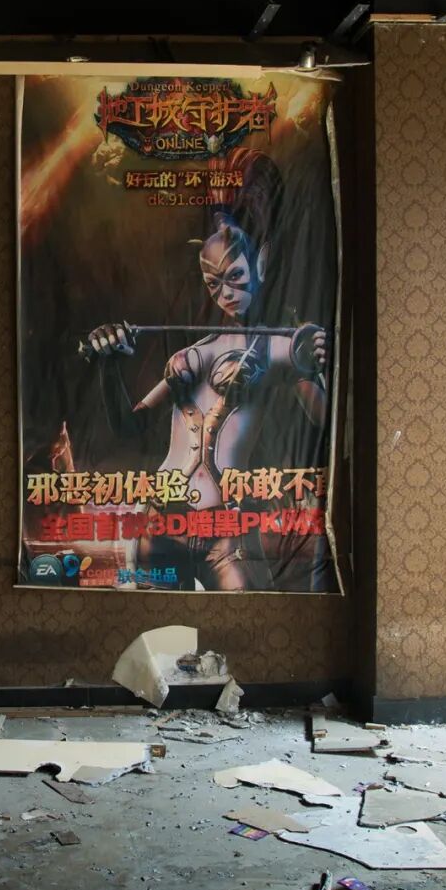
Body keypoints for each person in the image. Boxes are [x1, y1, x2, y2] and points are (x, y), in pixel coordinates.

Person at [85, 152, 329, 590]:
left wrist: (318, 365)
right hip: (160, 525)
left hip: (226, 532)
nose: (225, 293)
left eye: (235, 276)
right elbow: (128, 428)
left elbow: (323, 422)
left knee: (246, 620)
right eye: (213, 283)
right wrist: (109, 365)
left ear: (260, 264)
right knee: (150, 622)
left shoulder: (279, 347)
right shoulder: (193, 354)